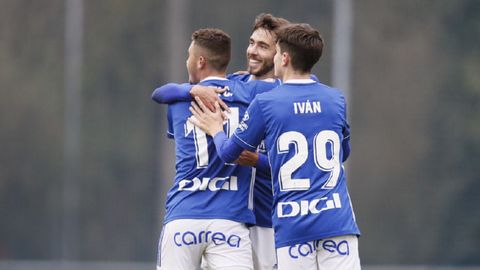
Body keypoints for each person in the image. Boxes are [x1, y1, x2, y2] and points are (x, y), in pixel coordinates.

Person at [188, 23, 361, 270]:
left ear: (285, 58)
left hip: (293, 223)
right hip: (337, 219)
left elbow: (228, 154)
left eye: (276, 52)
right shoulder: (336, 99)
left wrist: (216, 129)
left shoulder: (266, 103)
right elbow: (343, 153)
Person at [152, 14, 289, 270]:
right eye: (251, 43)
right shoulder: (238, 86)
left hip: (266, 219)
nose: (253, 51)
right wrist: (192, 89)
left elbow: (291, 163)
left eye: (263, 46)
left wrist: (255, 160)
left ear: (281, 55)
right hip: (231, 216)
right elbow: (164, 91)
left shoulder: (283, 97)